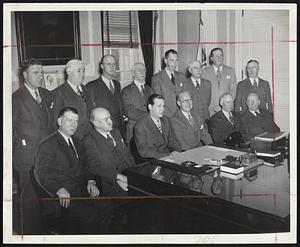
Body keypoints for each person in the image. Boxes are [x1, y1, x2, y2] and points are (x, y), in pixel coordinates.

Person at [34, 107, 112, 234]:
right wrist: (58, 189)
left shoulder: (78, 142)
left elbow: (86, 166)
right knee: (90, 216)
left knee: (107, 206)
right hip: (65, 196)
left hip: (83, 191)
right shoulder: (48, 144)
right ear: (59, 121)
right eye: (69, 120)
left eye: (76, 121)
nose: (74, 125)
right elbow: (42, 172)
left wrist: (91, 181)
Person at [12, 58, 55, 234]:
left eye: (42, 72)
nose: (40, 76)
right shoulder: (16, 98)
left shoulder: (46, 94)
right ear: (24, 75)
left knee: (48, 195)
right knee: (29, 200)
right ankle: (30, 234)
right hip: (27, 158)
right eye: (36, 72)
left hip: (47, 156)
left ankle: (49, 230)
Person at [84, 107, 135, 197]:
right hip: (111, 181)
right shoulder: (90, 141)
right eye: (105, 119)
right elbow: (94, 167)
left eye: (110, 118)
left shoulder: (116, 132)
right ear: (96, 123)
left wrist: (136, 172)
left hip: (130, 174)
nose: (110, 122)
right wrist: (119, 178)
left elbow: (127, 155)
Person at [85, 54, 126, 139]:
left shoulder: (117, 84)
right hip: (103, 132)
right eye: (108, 64)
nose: (112, 67)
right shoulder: (91, 86)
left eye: (114, 64)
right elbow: (90, 113)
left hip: (119, 131)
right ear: (102, 66)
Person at [52, 59, 92, 139]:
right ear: (69, 72)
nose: (82, 74)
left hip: (90, 139)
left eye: (83, 71)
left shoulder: (88, 91)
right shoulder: (58, 93)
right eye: (79, 71)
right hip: (72, 139)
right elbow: (56, 123)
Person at [134, 94, 181, 159]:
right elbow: (144, 151)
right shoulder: (140, 126)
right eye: (159, 106)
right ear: (150, 107)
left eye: (163, 106)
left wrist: (176, 151)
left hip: (170, 157)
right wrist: (168, 155)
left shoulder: (167, 120)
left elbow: (173, 141)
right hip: (154, 160)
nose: (162, 109)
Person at [122, 62, 154, 145]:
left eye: (144, 70)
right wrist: (151, 115)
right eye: (139, 70)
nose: (142, 72)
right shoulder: (126, 91)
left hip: (149, 129)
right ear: (133, 73)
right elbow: (130, 112)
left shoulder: (149, 89)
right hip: (134, 129)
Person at [201, 48, 237, 117]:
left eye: (221, 56)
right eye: (216, 56)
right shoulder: (204, 72)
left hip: (227, 109)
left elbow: (233, 91)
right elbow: (203, 93)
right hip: (211, 110)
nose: (219, 58)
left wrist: (226, 105)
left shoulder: (230, 71)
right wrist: (212, 106)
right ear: (211, 58)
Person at [151, 49, 186, 117]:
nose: (174, 63)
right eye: (172, 60)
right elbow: (158, 102)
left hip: (181, 116)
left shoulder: (182, 76)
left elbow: (184, 97)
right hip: (165, 116)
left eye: (176, 60)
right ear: (165, 61)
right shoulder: (156, 78)